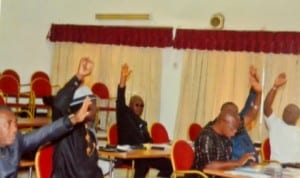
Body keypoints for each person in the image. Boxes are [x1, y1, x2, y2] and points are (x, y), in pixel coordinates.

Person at [0, 96, 92, 178]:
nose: (15, 129)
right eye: (8, 124)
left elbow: (45, 133)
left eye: (15, 123)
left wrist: (74, 119)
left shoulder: (16, 142)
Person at [116, 63, 173, 178]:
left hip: (143, 153)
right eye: (137, 105)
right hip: (129, 153)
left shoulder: (142, 123)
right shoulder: (124, 114)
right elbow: (120, 96)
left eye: (142, 106)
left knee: (169, 165)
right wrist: (123, 78)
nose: (140, 108)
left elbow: (148, 141)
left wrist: (159, 149)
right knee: (143, 163)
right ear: (131, 105)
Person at [51, 57, 104, 178]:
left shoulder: (89, 133)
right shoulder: (66, 129)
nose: (96, 109)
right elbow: (59, 105)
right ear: (81, 106)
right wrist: (78, 77)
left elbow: (94, 169)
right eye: (92, 105)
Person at [191, 109, 255, 177]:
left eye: (236, 129)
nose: (234, 132)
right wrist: (237, 163)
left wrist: (245, 165)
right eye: (232, 129)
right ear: (223, 122)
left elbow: (226, 162)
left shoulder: (226, 136)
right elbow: (208, 166)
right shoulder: (206, 137)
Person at [263, 72, 300, 163]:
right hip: (277, 169)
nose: (289, 113)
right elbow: (266, 106)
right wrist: (275, 87)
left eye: (292, 112)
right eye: (287, 111)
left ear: (297, 117)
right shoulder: (275, 124)